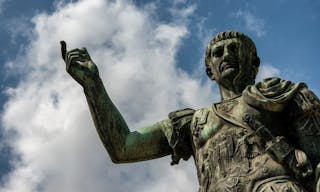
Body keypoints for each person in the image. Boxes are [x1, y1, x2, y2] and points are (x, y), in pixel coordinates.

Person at [61, 31, 320, 191]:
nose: (226, 54)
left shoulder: (277, 94)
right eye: (218, 53)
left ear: (253, 63)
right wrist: (93, 86)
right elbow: (125, 147)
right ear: (210, 70)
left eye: (234, 49)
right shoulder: (193, 122)